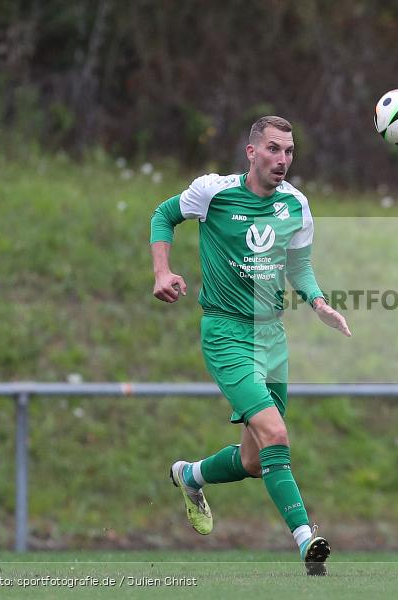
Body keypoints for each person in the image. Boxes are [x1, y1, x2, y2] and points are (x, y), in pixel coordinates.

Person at [149, 115, 351, 576]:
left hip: (271, 337)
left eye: (289, 151)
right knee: (276, 434)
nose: (283, 160)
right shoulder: (213, 192)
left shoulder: (296, 205)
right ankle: (306, 539)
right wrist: (162, 271)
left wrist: (318, 302)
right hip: (226, 334)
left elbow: (299, 266)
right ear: (252, 152)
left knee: (255, 460)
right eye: (274, 149)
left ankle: (190, 475)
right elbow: (164, 215)